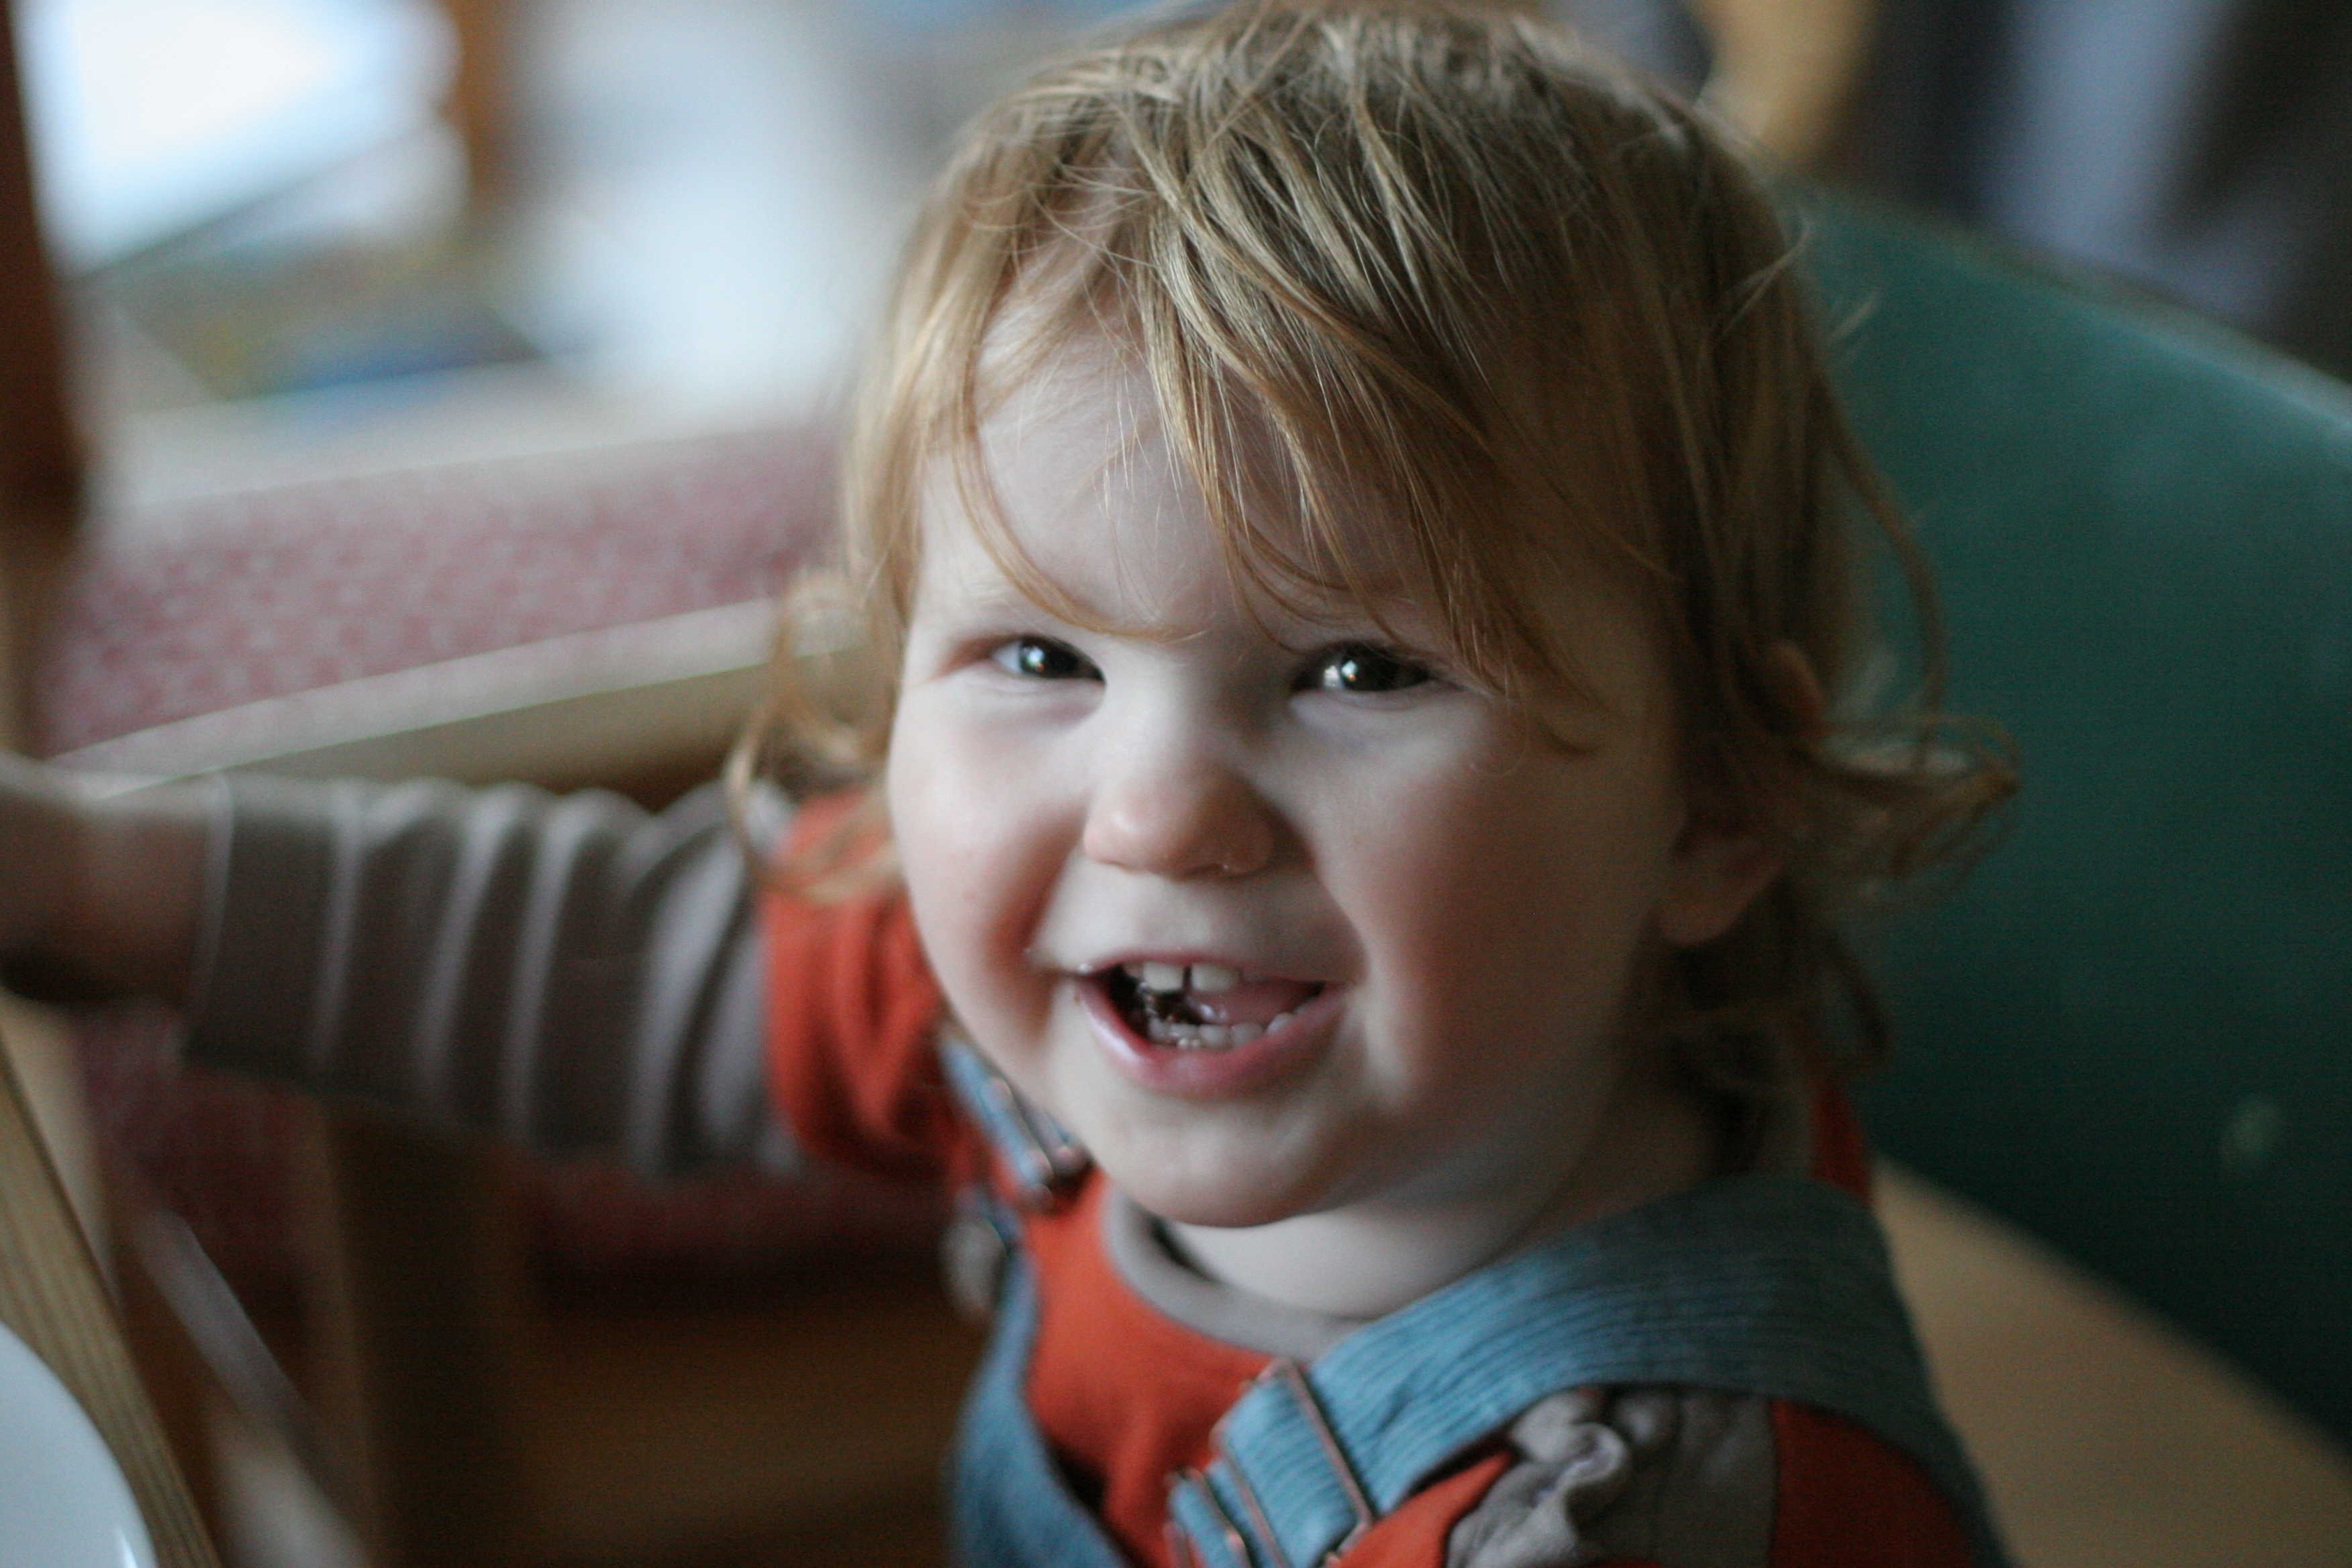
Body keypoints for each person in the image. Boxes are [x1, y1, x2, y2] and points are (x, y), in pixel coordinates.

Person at [3, 3, 2018, 1563]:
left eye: (1356, 672)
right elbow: (595, 959)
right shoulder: (1091, 996)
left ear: (1716, 803)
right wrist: (82, 877)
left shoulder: (1634, 1514)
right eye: (1043, 659)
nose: (1154, 815)